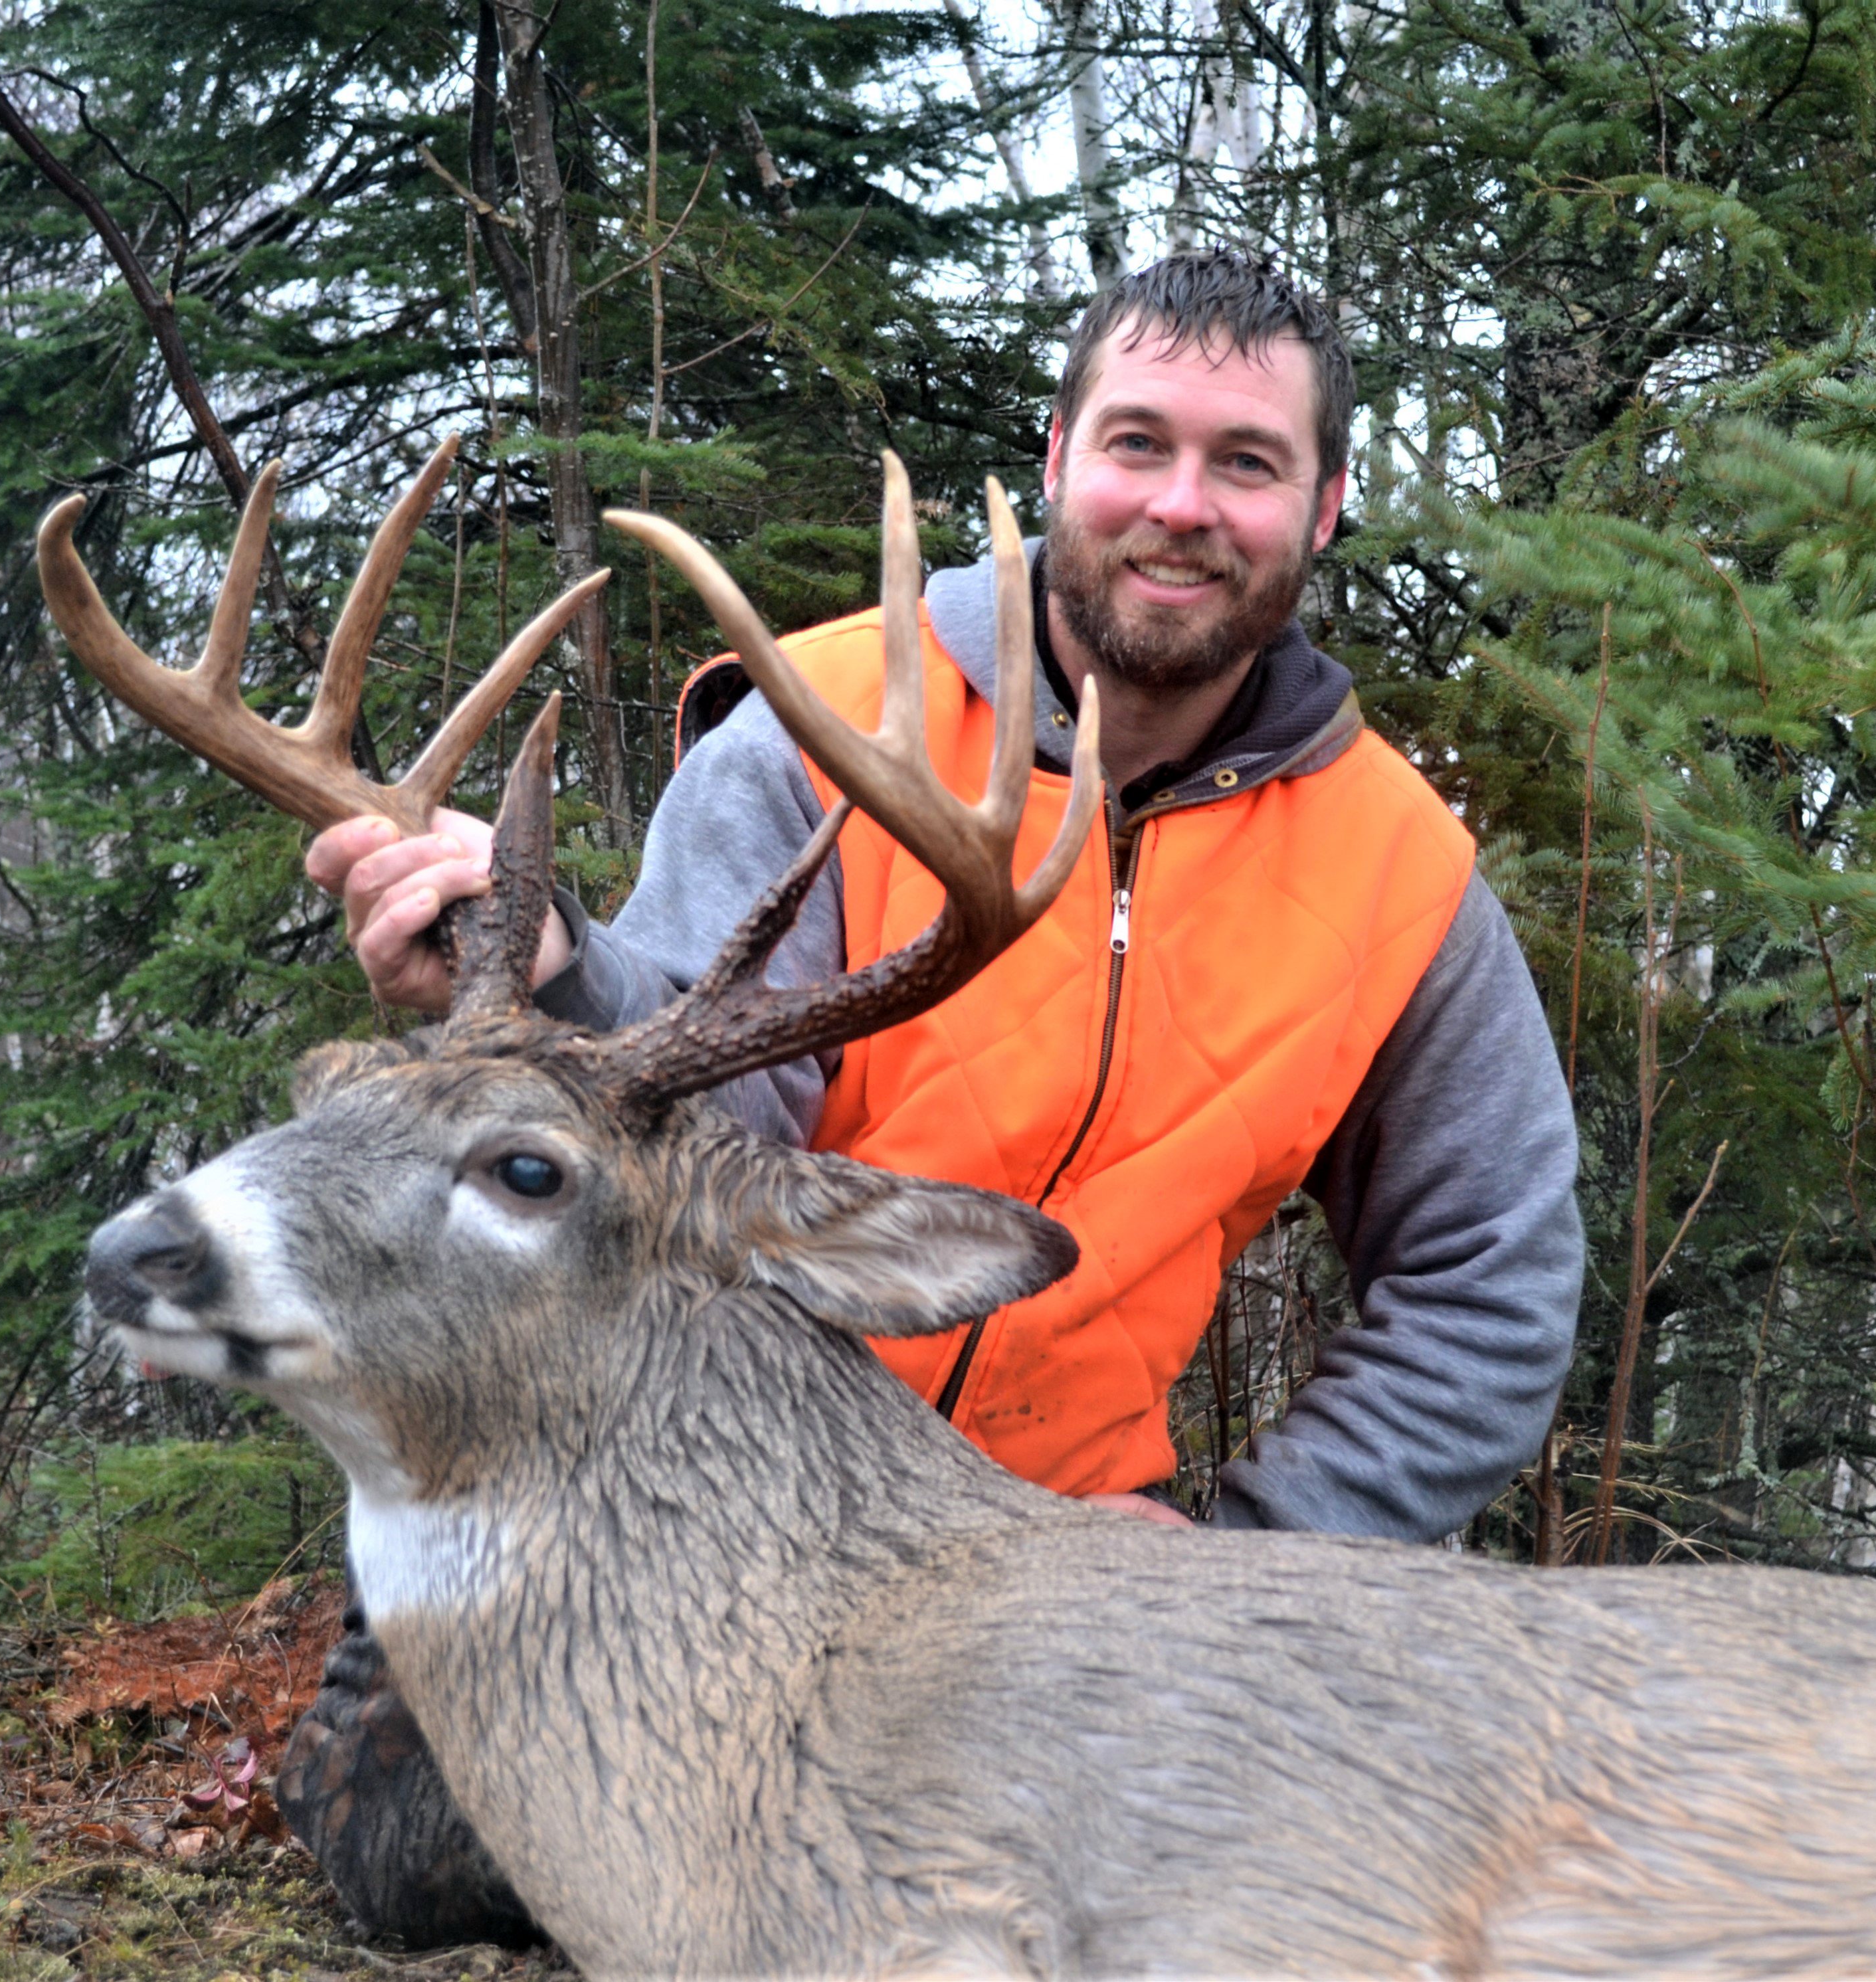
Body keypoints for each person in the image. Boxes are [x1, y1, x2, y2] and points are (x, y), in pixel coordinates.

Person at [274, 252, 1584, 1946]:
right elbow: (706, 1133)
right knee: (420, 1860)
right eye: (1139, 445)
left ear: (1325, 505)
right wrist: (540, 988)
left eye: (1246, 464)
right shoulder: (822, 730)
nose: (1182, 507)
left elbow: (1494, 1274)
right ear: (1054, 458)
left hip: (1066, 1560)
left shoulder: (1394, 870)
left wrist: (1252, 1566)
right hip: (708, 1507)